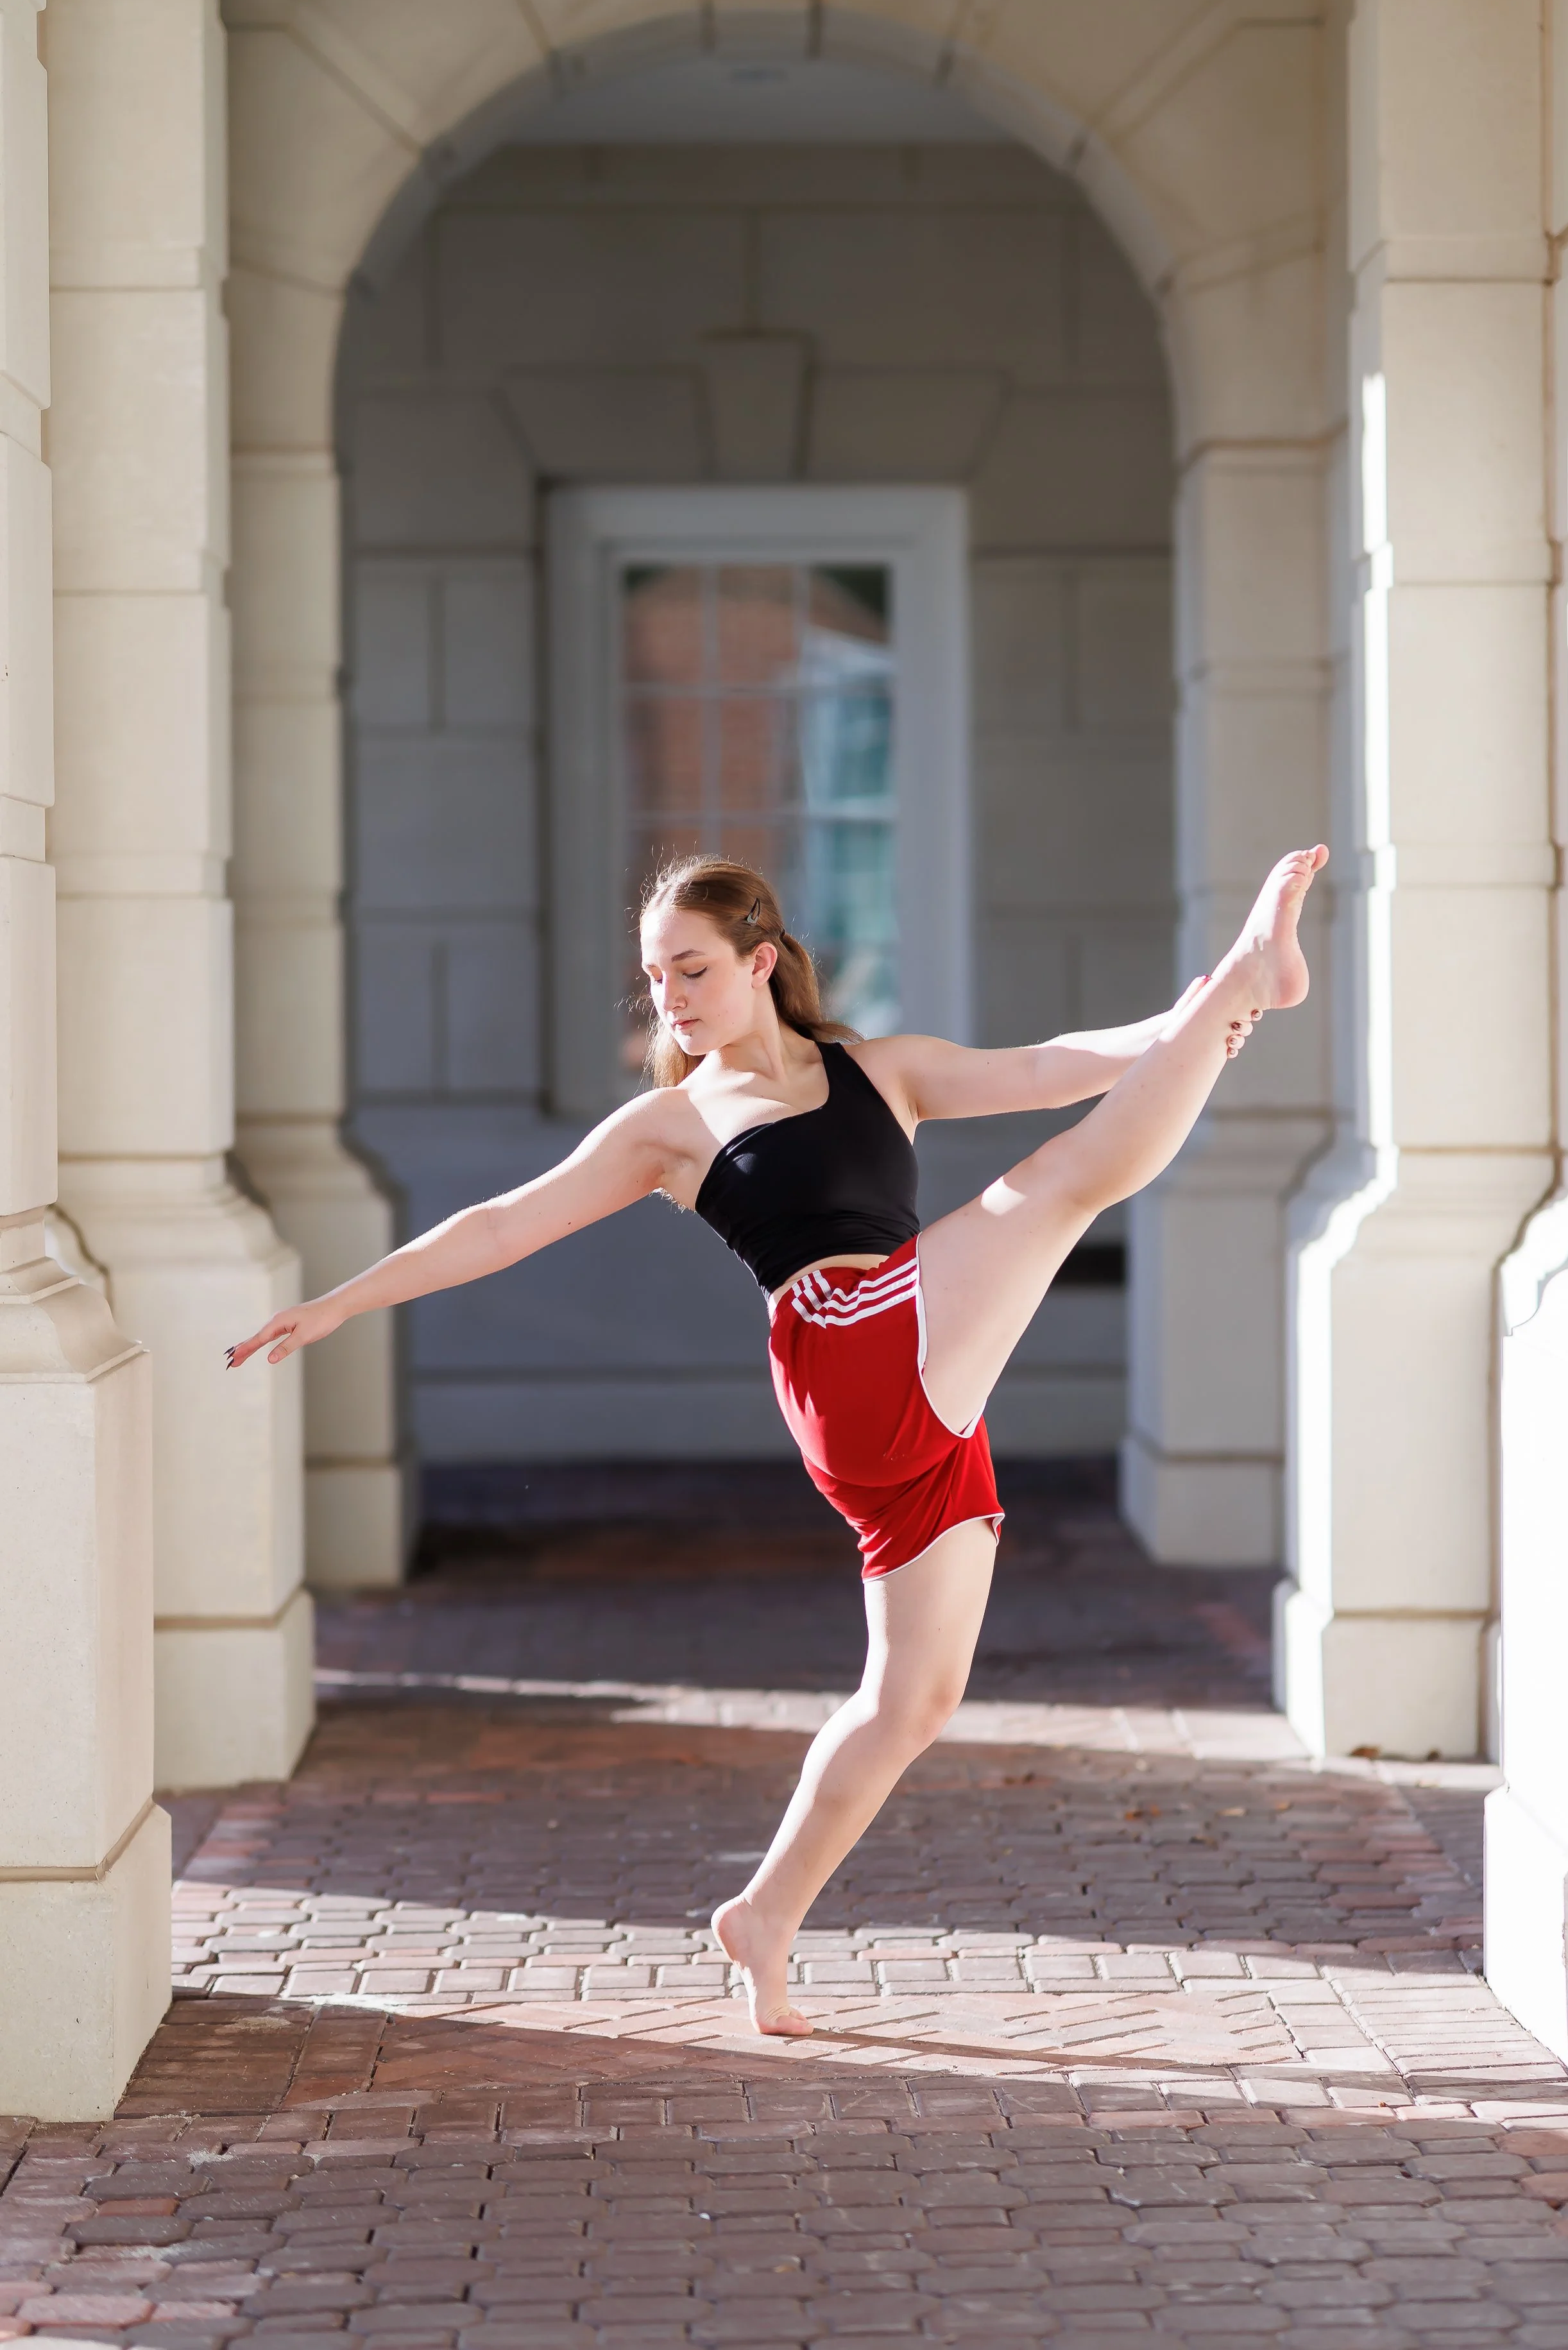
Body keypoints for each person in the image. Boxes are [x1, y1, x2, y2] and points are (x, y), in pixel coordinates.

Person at [227, 842, 1327, 2036]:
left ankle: (763, 1916)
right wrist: (341, 1299)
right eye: (656, 979)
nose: (673, 998)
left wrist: (1185, 1028)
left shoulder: (879, 1067)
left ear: (760, 961)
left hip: (923, 1361)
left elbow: (1058, 1065)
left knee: (913, 1696)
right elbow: (502, 1224)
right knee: (1061, 1188)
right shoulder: (672, 1125)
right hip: (850, 1349)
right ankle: (1245, 972)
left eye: (692, 968)